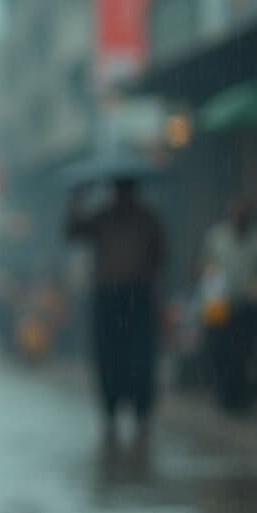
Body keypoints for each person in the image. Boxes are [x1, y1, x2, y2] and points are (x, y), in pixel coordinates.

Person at [65, 177, 166, 443]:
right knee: (109, 358)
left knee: (140, 358)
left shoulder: (148, 219)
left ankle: (141, 414)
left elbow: (162, 254)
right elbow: (73, 232)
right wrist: (76, 200)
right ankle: (110, 413)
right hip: (108, 298)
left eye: (126, 190)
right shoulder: (102, 218)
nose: (122, 196)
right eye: (119, 191)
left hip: (139, 297)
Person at [198, 197, 257, 411]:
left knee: (243, 354)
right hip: (220, 307)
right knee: (221, 353)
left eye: (243, 214)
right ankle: (225, 395)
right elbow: (205, 268)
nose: (239, 218)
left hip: (248, 308)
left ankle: (241, 397)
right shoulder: (216, 238)